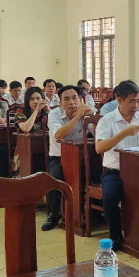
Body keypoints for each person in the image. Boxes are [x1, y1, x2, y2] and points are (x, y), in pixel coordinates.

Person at [95, 80, 139, 251]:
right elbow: (99, 148)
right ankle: (115, 235)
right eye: (131, 101)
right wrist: (124, 133)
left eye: (138, 101)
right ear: (119, 100)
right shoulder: (107, 120)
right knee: (109, 197)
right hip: (115, 171)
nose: (136, 105)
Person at [43, 85, 95, 231]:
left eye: (74, 98)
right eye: (66, 99)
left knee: (97, 173)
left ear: (80, 100)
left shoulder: (87, 112)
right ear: (60, 102)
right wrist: (78, 116)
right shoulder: (54, 114)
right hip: (59, 157)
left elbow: (98, 135)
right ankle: (53, 214)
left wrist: (92, 117)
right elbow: (59, 135)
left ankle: (93, 212)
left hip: (82, 157)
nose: (71, 102)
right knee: (54, 177)